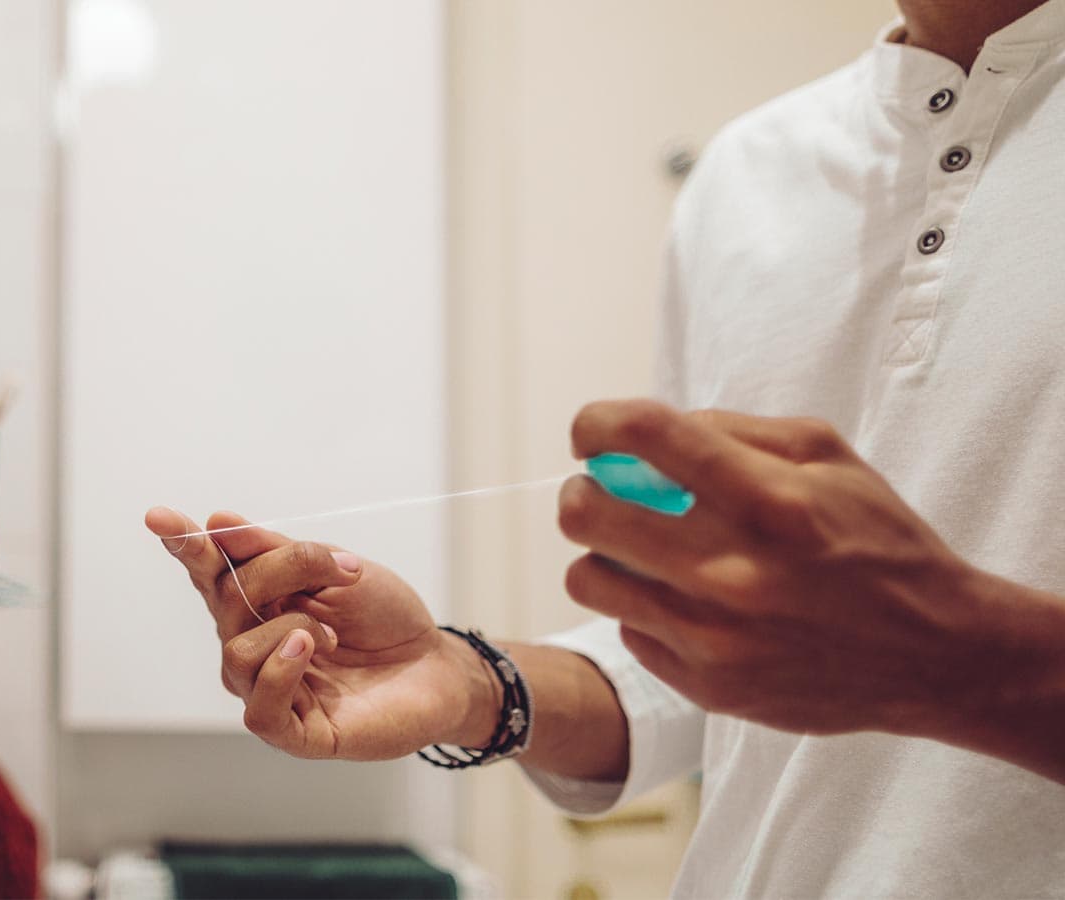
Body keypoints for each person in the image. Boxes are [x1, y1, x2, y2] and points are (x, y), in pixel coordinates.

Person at [146, 0, 1065, 895]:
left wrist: (954, 659)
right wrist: (465, 683)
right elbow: (712, 684)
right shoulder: (748, 174)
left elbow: (873, 654)